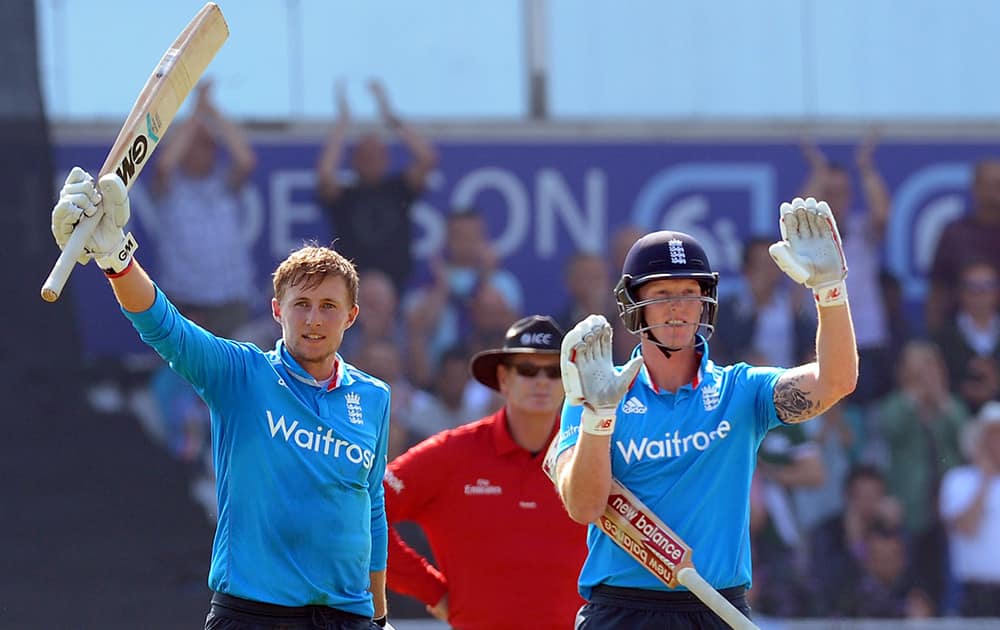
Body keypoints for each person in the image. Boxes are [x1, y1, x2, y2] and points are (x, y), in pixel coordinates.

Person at [51, 168, 395, 629]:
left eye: (329, 307)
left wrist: (379, 615)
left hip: (348, 617)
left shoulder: (374, 397)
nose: (314, 319)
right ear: (277, 310)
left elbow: (371, 504)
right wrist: (117, 258)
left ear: (350, 316)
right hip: (253, 616)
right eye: (301, 304)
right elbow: (165, 327)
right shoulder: (241, 374)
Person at [554, 197, 859, 629]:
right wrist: (599, 416)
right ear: (633, 306)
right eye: (661, 294)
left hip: (717, 608)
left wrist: (830, 291)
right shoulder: (595, 394)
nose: (677, 307)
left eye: (689, 293)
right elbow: (583, 506)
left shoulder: (740, 389)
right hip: (620, 613)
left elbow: (837, 381)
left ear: (706, 303)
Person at [383, 316, 588, 629]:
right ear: (503, 378)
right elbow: (366, 510)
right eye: (528, 370)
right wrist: (430, 590)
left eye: (554, 371)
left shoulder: (591, 454)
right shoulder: (452, 453)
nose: (542, 381)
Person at [315, 79, 437, 293]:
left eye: (377, 155)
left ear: (387, 159)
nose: (372, 160)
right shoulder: (345, 196)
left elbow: (427, 159)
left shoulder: (399, 189)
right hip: (352, 290)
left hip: (397, 287)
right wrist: (343, 123)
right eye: (365, 155)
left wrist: (389, 115)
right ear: (353, 161)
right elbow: (325, 175)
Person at [939, 400, 1000, 617]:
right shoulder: (958, 480)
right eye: (992, 436)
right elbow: (966, 527)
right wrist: (985, 480)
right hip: (972, 594)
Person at [927, 159, 1000, 334]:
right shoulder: (955, 233)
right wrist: (934, 334)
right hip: (959, 336)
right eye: (992, 184)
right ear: (975, 188)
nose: (996, 191)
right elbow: (938, 288)